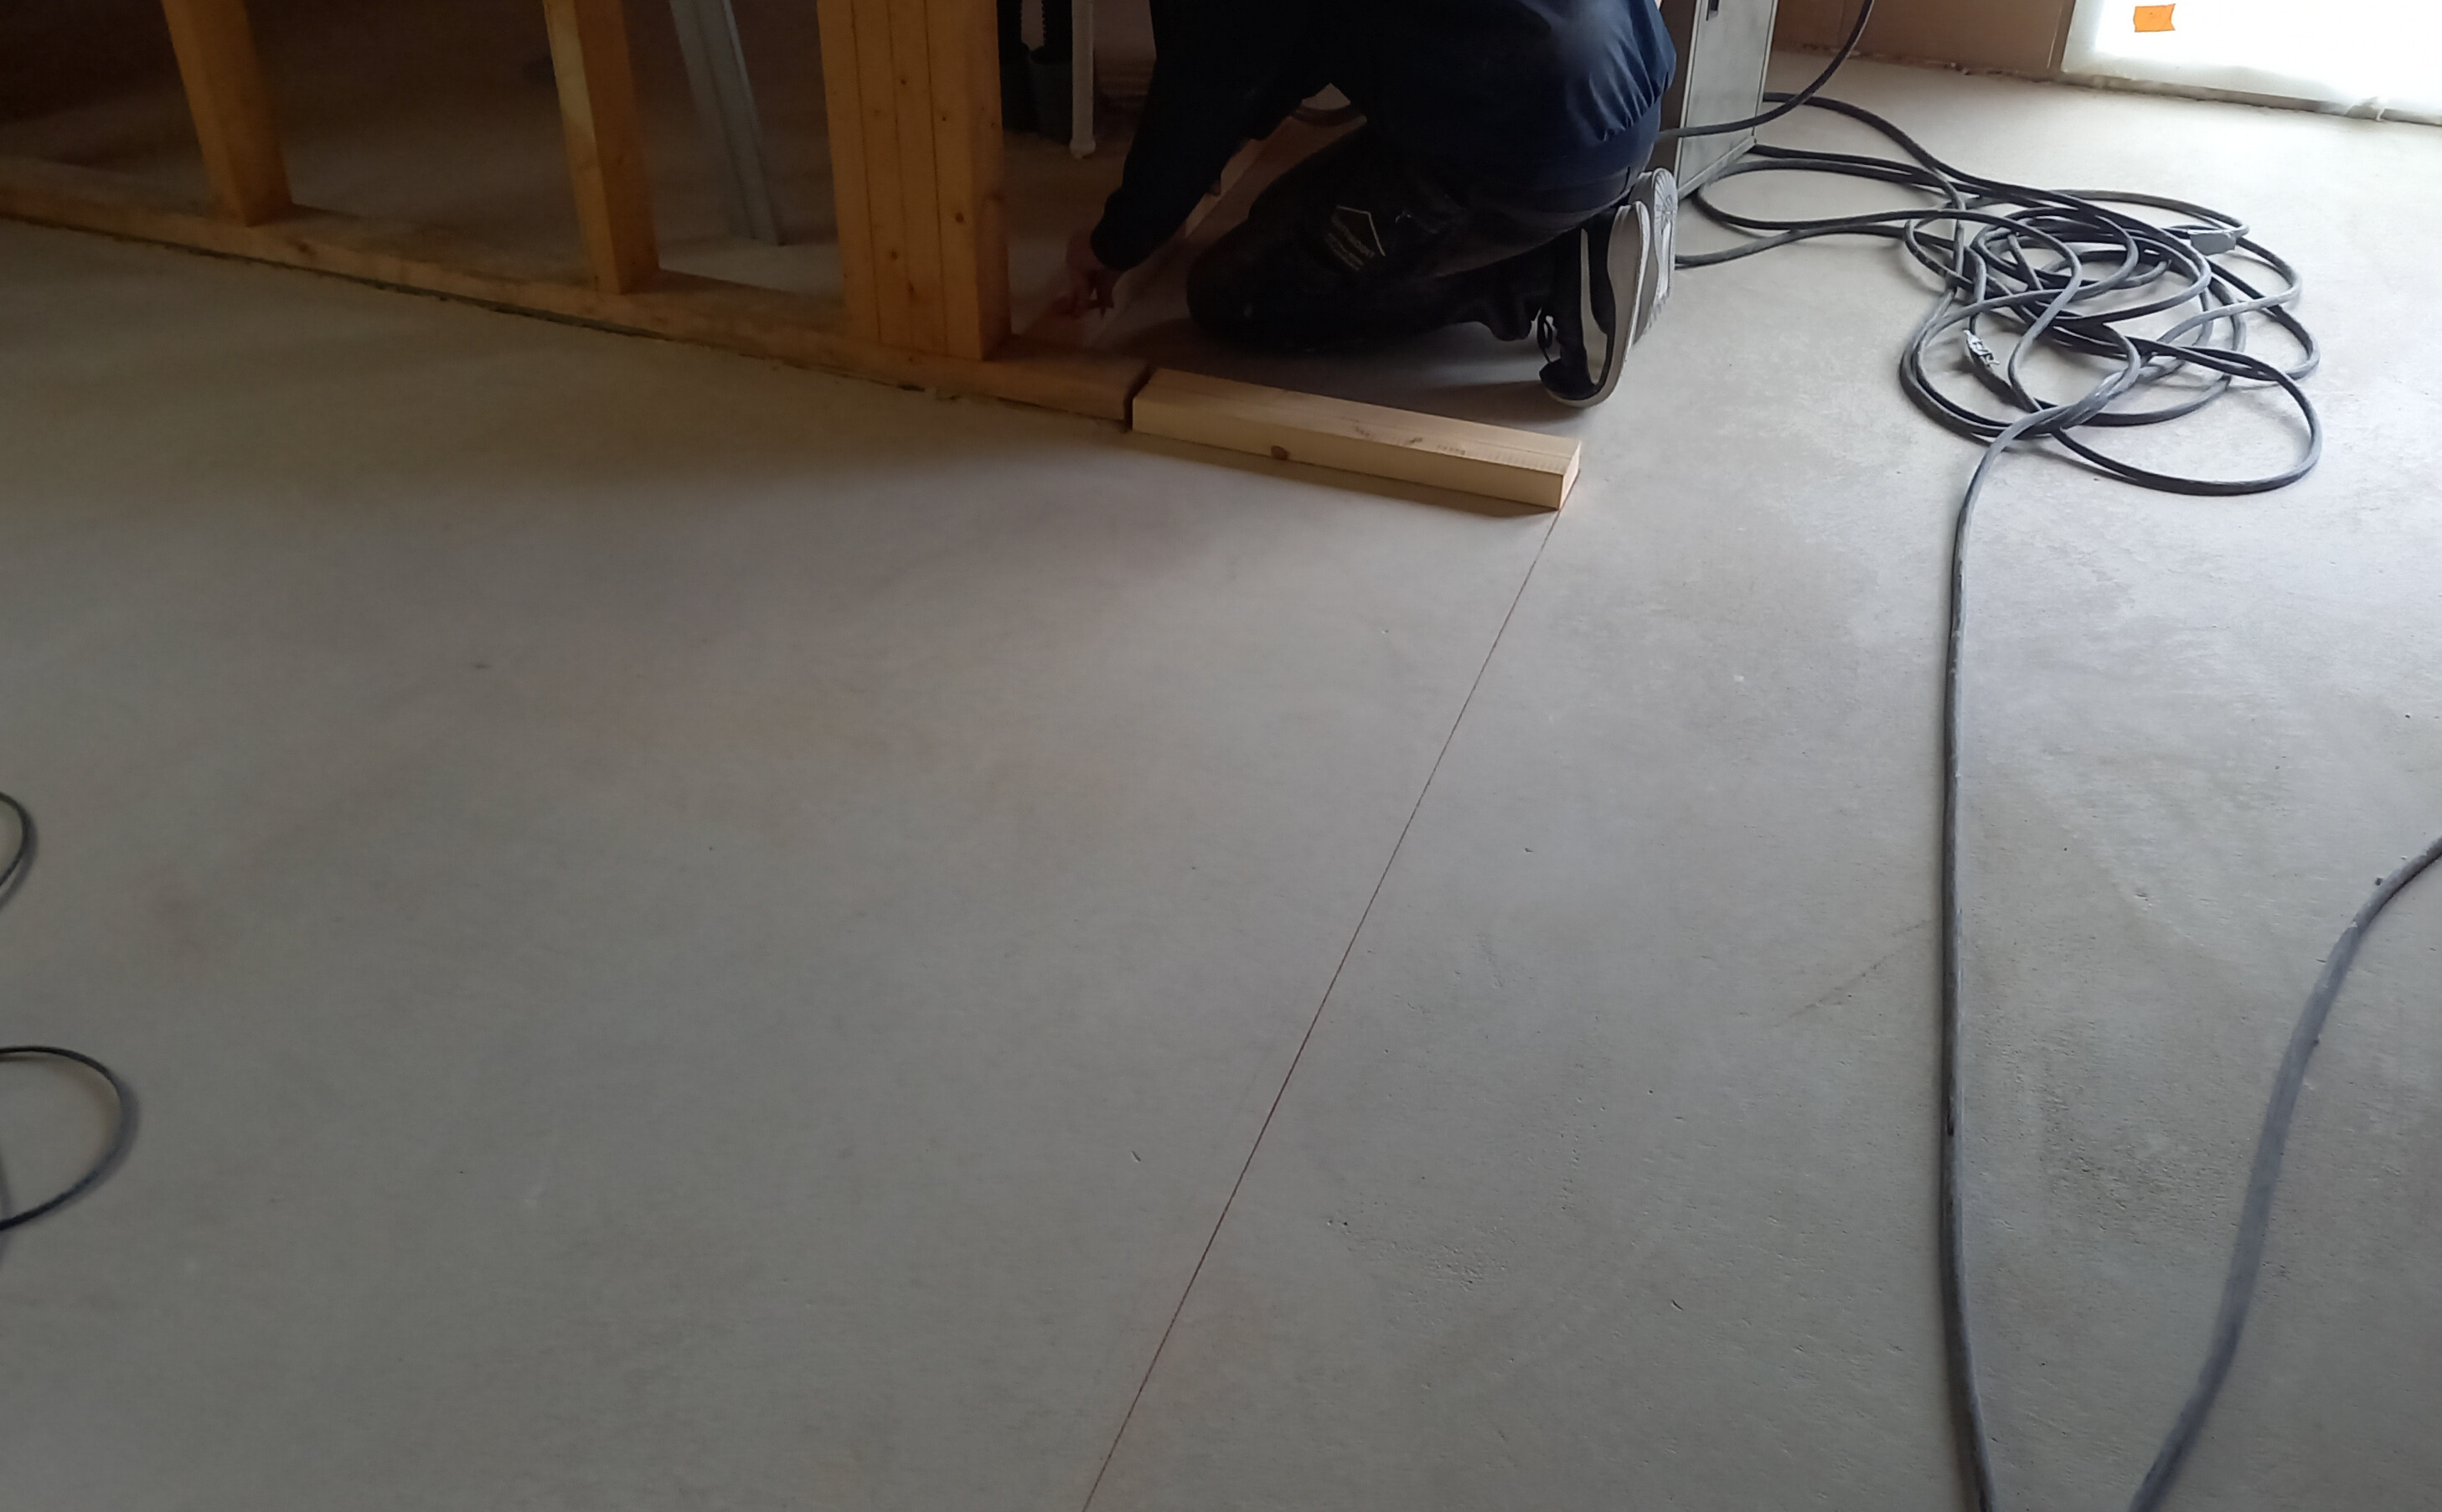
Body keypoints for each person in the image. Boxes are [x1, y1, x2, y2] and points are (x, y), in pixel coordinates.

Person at [1055, 0, 1681, 406]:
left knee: (1236, 291)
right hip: (1626, 86)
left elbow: (1203, 102)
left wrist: (1116, 242)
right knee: (1282, 215)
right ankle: (1573, 220)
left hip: (1532, 148)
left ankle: (1554, 273)